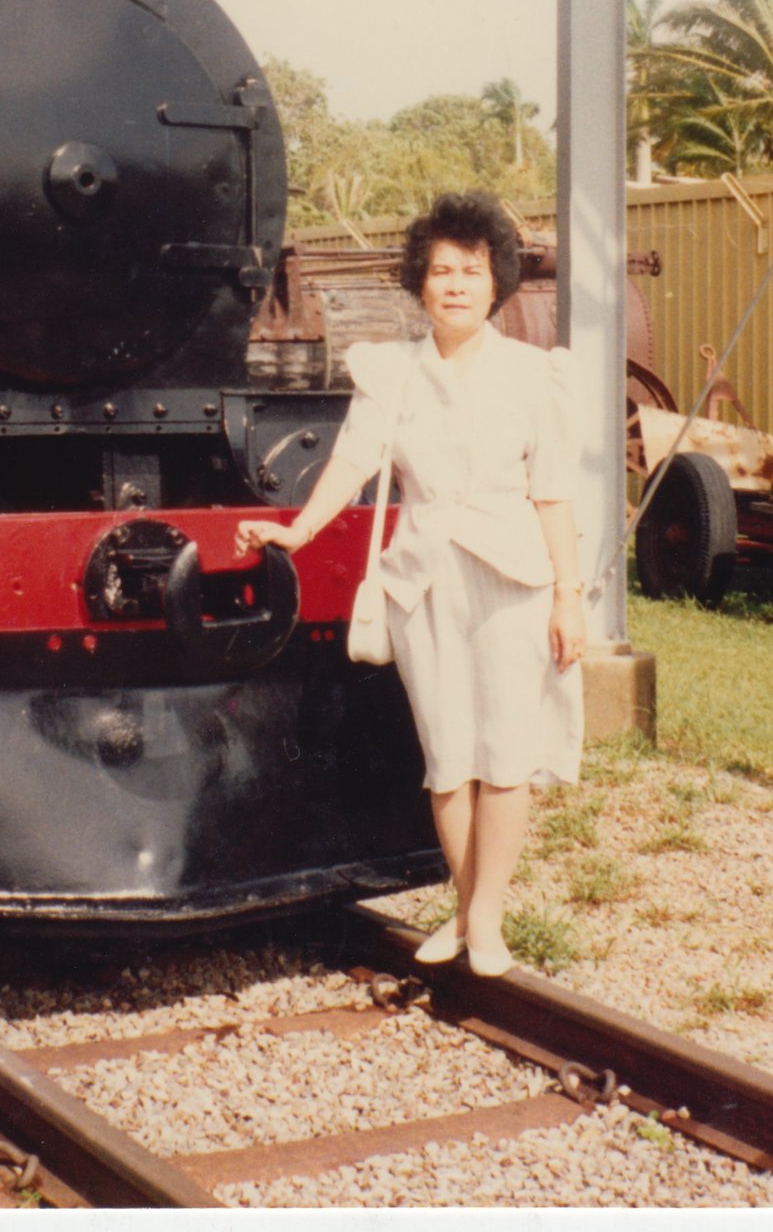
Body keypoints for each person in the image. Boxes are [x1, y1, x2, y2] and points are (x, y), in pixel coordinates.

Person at [236, 192, 586, 977]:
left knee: (505, 755)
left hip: (513, 578)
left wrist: (569, 594)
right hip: (421, 580)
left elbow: (555, 492)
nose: (455, 285)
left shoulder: (536, 376)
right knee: (447, 758)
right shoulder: (390, 372)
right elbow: (353, 465)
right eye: (439, 272)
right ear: (418, 283)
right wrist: (295, 531)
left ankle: (484, 918)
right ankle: (467, 911)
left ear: (496, 283)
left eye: (470, 271)